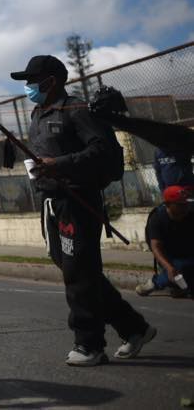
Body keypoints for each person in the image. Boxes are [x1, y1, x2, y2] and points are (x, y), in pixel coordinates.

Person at [11, 54, 156, 365]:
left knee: (79, 273)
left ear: (51, 81)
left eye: (31, 80)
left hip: (78, 200)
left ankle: (89, 344)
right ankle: (134, 327)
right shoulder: (38, 113)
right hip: (51, 202)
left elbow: (101, 150)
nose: (27, 86)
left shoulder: (75, 110)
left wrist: (58, 165)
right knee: (78, 270)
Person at [136, 185, 193, 297]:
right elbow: (156, 247)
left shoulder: (190, 215)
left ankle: (181, 287)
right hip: (167, 254)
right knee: (179, 267)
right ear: (168, 205)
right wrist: (168, 267)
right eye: (180, 205)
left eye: (186, 204)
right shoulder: (157, 218)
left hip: (186, 250)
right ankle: (155, 283)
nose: (185, 208)